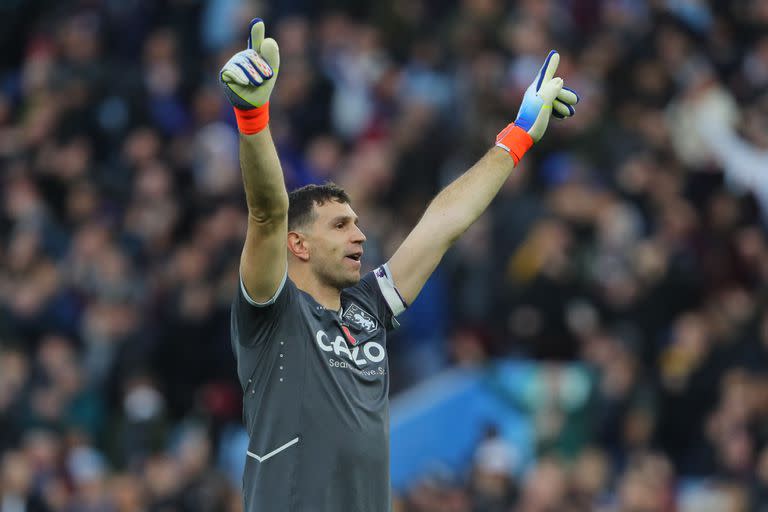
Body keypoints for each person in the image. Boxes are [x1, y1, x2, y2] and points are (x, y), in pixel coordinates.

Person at [219, 18, 578, 512]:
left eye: (357, 223)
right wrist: (253, 116)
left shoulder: (368, 307)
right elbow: (267, 212)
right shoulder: (269, 313)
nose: (360, 235)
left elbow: (442, 223)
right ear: (298, 245)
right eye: (340, 226)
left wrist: (514, 138)